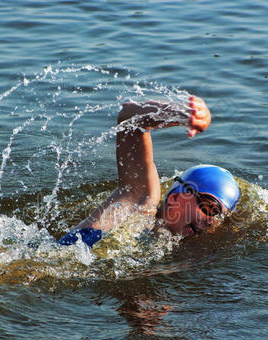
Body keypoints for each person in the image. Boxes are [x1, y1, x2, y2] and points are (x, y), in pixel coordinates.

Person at [58, 95, 240, 248]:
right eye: (209, 208)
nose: (211, 221)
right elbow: (129, 118)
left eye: (220, 217)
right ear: (177, 197)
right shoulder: (141, 202)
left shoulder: (185, 251)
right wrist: (181, 112)